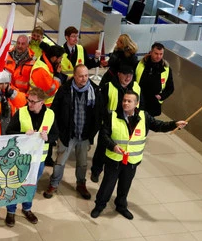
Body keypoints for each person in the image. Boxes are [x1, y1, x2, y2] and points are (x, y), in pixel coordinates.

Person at [91, 91, 187, 219]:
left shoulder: (144, 116)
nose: (125, 103)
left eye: (129, 101)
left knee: (125, 185)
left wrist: (174, 124)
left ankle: (121, 206)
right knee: (107, 184)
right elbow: (103, 135)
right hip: (114, 159)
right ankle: (99, 206)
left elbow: (158, 125)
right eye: (124, 100)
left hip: (132, 160)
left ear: (136, 104)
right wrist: (113, 146)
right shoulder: (112, 116)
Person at [46, 64, 103, 200]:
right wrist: (58, 132)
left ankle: (81, 184)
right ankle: (54, 183)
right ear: (74, 76)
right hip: (67, 134)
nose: (84, 79)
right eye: (80, 76)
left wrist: (92, 133)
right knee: (60, 161)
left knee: (82, 162)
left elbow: (99, 113)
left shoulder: (95, 90)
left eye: (86, 76)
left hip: (84, 134)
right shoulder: (64, 90)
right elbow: (54, 110)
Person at [4, 87, 56, 227]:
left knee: (31, 186)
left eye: (33, 102)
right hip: (21, 159)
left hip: (38, 160)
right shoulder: (21, 112)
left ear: (42, 102)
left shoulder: (50, 115)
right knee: (14, 184)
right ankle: (11, 211)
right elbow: (8, 131)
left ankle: (27, 209)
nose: (30, 104)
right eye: (29, 100)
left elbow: (56, 135)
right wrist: (22, 134)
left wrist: (48, 137)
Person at [91, 64, 142, 182]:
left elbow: (140, 105)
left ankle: (119, 169)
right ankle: (96, 171)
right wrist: (105, 121)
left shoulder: (136, 87)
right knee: (101, 150)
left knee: (122, 149)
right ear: (118, 74)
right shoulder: (108, 87)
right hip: (110, 125)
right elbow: (100, 107)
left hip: (128, 125)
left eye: (130, 75)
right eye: (125, 74)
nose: (128, 77)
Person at [135, 42, 174, 117]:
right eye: (156, 53)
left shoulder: (166, 69)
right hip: (139, 100)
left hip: (153, 104)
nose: (158, 56)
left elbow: (170, 88)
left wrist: (161, 96)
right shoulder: (140, 64)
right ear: (151, 52)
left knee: (149, 124)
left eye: (161, 54)